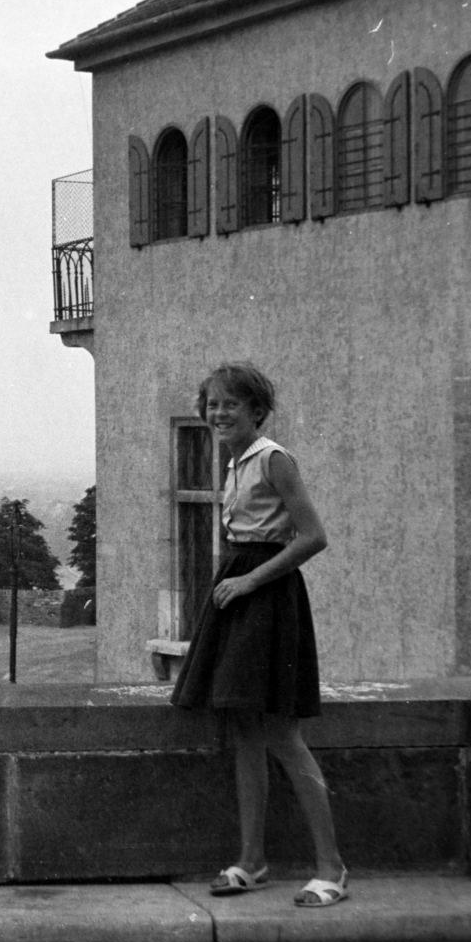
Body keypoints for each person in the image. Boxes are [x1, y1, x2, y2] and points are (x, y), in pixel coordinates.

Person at [170, 363, 348, 908]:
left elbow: (313, 537)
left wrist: (248, 580)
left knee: (282, 737)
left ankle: (332, 869)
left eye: (231, 405)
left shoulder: (273, 459)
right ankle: (252, 861)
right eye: (212, 405)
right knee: (245, 732)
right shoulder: (233, 461)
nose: (218, 414)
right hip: (242, 594)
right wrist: (237, 582)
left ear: (257, 412)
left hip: (267, 596)